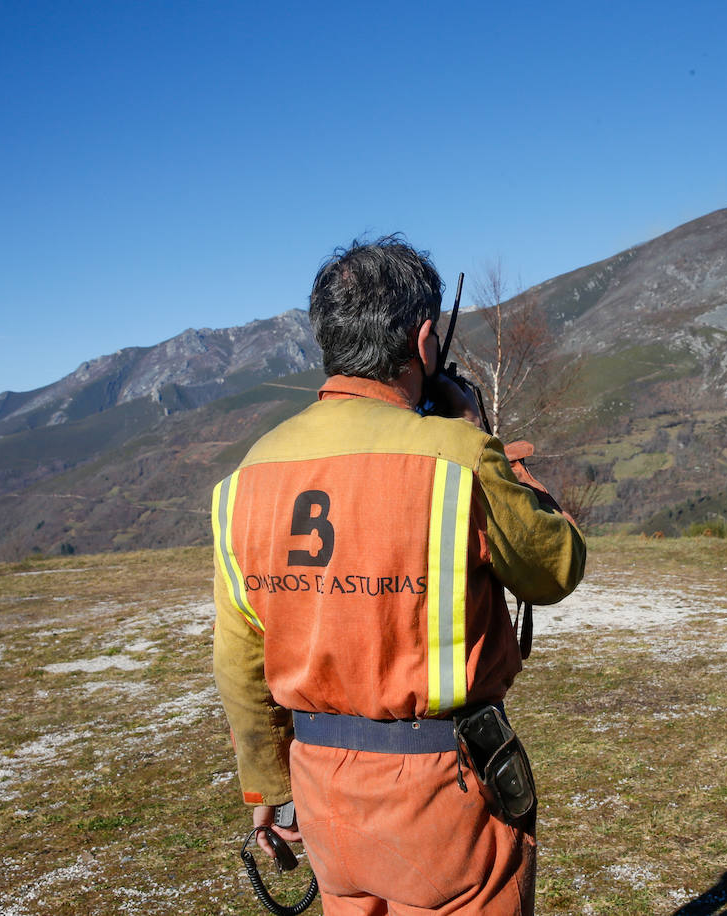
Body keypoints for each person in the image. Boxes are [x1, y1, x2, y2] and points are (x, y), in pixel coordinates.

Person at [212, 234, 585, 915]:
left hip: (323, 794)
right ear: (423, 343)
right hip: (444, 795)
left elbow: (239, 657)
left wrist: (268, 790)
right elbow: (554, 569)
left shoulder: (245, 476)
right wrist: (481, 434)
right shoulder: (457, 456)